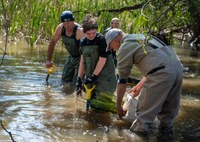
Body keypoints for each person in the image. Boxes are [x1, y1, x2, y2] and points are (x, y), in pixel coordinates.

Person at [105, 29, 183, 141]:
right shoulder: (140, 36)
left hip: (161, 74)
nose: (112, 49)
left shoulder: (124, 47)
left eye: (111, 46)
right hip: (178, 69)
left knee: (142, 119)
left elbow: (122, 80)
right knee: (167, 118)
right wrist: (139, 85)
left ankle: (137, 137)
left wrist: (118, 105)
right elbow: (158, 63)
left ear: (116, 40)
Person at [76, 14, 117, 111]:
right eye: (88, 34)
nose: (91, 36)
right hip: (92, 77)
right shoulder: (83, 42)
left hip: (105, 78)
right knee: (93, 107)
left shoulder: (102, 40)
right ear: (84, 32)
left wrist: (93, 76)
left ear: (97, 30)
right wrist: (79, 78)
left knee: (102, 108)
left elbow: (102, 60)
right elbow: (82, 61)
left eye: (93, 33)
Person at [45, 10, 84, 85]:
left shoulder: (79, 31)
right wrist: (48, 60)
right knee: (64, 81)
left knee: (77, 82)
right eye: (64, 23)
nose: (67, 26)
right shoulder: (60, 28)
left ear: (73, 21)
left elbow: (87, 50)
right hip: (71, 57)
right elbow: (52, 42)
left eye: (69, 23)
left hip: (81, 58)